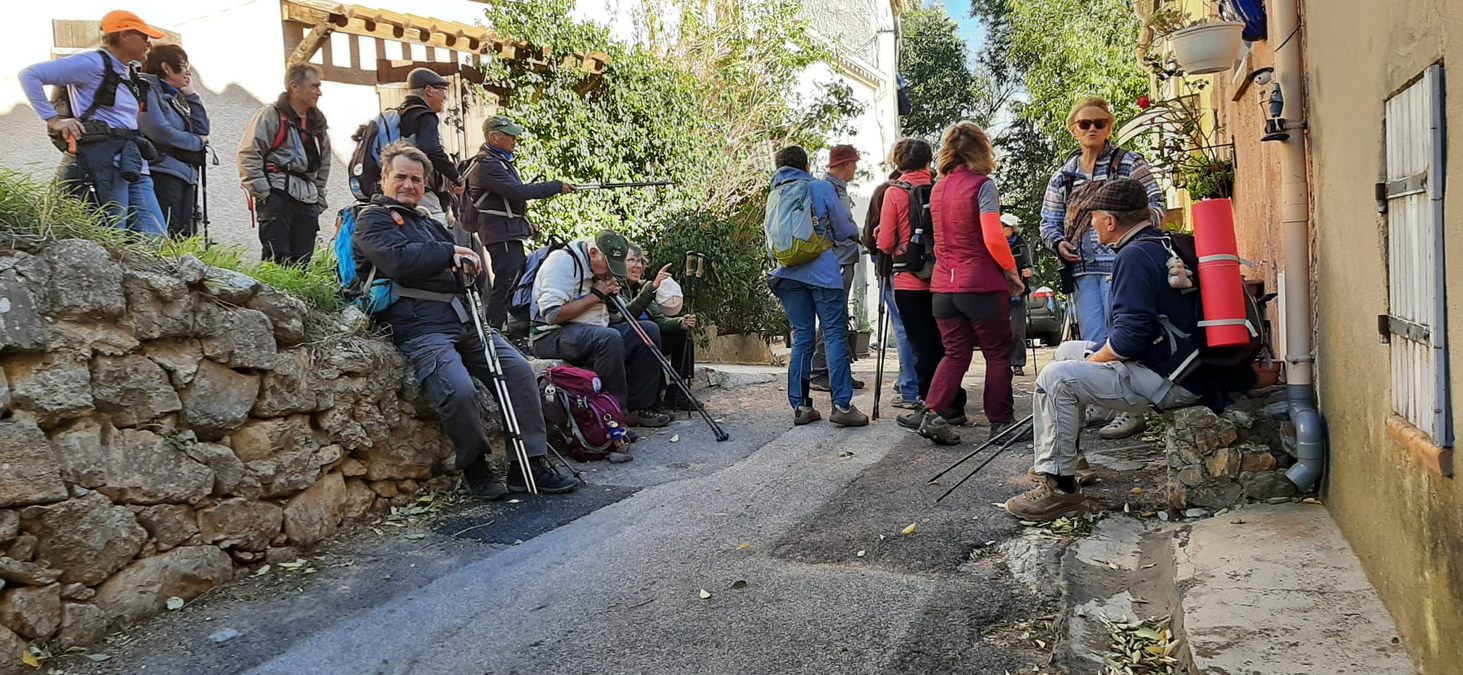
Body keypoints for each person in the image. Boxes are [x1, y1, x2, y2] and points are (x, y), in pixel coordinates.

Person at [1004, 178, 1271, 521]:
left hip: (1171, 381)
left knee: (1059, 378)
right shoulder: (1164, 243)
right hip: (1190, 369)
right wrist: (1093, 357)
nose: (1091, 225)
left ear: (1110, 221)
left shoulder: (1133, 256)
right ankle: (1068, 461)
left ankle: (1060, 489)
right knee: (1066, 351)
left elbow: (1129, 341)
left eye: (1093, 218)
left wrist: (1095, 360)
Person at [353, 142, 576, 498]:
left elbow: (451, 267)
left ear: (425, 185)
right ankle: (476, 467)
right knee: (458, 390)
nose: (409, 185)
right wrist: (449, 254)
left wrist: (462, 263)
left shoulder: (430, 225)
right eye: (401, 177)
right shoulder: (372, 219)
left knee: (519, 371)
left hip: (464, 320)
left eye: (416, 179)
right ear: (383, 178)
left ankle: (528, 464)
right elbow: (399, 263)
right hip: (419, 327)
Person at [1039, 95, 1165, 440]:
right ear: (1073, 129)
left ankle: (1129, 411)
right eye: (1085, 124)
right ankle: (1100, 398)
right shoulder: (1064, 176)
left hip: (1124, 261)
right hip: (1083, 269)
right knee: (1093, 339)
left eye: (1100, 123)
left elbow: (1156, 205)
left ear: (1110, 127)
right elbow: (1049, 220)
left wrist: (1135, 236)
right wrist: (1058, 243)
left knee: (1123, 333)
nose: (1092, 129)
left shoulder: (1130, 163)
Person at [913, 122, 1023, 446]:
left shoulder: (937, 188)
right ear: (982, 149)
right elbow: (993, 236)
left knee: (955, 353)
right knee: (997, 354)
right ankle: (1001, 423)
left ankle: (933, 412)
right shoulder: (983, 186)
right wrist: (1012, 272)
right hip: (980, 284)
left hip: (943, 288)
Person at [19, 10, 167, 238]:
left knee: (155, 236)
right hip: (105, 163)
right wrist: (54, 120)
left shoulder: (127, 71)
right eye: (144, 36)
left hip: (133, 163)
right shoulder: (92, 63)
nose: (149, 43)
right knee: (113, 234)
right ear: (124, 35)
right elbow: (30, 75)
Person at [765, 146, 868, 428]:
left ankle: (801, 407)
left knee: (802, 337)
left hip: (786, 274)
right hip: (822, 273)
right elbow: (844, 228)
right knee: (834, 334)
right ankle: (842, 406)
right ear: (807, 166)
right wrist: (855, 237)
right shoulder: (820, 188)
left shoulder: (775, 194)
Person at [529, 230, 673, 428]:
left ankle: (639, 407)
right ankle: (614, 414)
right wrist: (597, 294)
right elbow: (553, 314)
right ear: (594, 253)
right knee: (609, 338)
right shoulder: (563, 261)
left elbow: (615, 318)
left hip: (591, 331)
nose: (610, 272)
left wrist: (611, 299)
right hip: (551, 334)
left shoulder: (601, 271)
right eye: (609, 266)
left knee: (647, 330)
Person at [877, 138, 968, 428]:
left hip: (909, 280)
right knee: (945, 346)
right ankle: (955, 403)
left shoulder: (895, 193)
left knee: (922, 347)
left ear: (897, 162)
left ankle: (932, 406)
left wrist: (885, 238)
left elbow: (886, 242)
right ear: (929, 160)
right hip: (943, 278)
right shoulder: (942, 188)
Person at [461, 116, 575, 329]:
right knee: (506, 282)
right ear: (493, 137)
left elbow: (508, 201)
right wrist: (556, 186)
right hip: (499, 233)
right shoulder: (487, 165)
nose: (515, 140)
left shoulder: (498, 161)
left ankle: (507, 328)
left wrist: (527, 225)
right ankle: (494, 330)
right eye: (510, 136)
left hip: (506, 231)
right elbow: (519, 192)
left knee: (513, 280)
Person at [238, 62, 330, 265]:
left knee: (302, 262)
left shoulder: (318, 123)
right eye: (314, 86)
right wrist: (266, 195)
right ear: (294, 87)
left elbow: (323, 165)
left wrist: (318, 199)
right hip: (277, 194)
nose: (319, 92)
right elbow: (249, 153)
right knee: (276, 259)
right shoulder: (271, 115)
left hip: (308, 200)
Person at [862, 166, 922, 409]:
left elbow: (873, 237)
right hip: (923, 268)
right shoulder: (925, 190)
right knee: (920, 328)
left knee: (902, 327)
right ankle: (918, 385)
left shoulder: (885, 192)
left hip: (890, 267)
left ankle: (909, 387)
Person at [809, 144, 865, 393]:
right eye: (854, 163)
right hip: (836, 260)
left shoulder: (836, 188)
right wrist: (855, 236)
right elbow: (839, 227)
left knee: (836, 317)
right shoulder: (828, 189)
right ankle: (821, 371)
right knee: (832, 318)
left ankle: (836, 372)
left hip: (840, 259)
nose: (856, 168)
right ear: (844, 164)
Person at [138, 44, 209, 238]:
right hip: (163, 171)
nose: (188, 72)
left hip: (184, 173)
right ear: (166, 68)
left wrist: (191, 95)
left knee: (184, 233)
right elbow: (160, 131)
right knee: (171, 230)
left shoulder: (174, 96)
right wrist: (197, 143)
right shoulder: (146, 91)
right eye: (184, 66)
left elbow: (202, 128)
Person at [617, 245, 699, 410]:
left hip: (650, 337)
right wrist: (652, 288)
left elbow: (660, 320)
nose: (638, 266)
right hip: (629, 341)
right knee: (650, 329)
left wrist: (681, 322)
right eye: (632, 260)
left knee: (682, 334)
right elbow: (626, 315)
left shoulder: (642, 287)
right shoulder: (615, 287)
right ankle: (649, 402)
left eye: (640, 261)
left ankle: (678, 391)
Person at [394, 68, 459, 225]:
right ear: (429, 90)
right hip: (420, 188)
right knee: (435, 225)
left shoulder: (400, 113)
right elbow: (431, 149)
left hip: (397, 186)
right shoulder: (424, 115)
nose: (445, 96)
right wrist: (456, 177)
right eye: (442, 90)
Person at [1003, 213, 1035, 376]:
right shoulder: (994, 242)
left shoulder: (1022, 245)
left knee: (1017, 330)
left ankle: (1017, 363)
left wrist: (1030, 271)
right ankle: (1000, 363)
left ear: (1013, 228)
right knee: (999, 329)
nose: (1002, 229)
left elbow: (1030, 266)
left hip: (1017, 291)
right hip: (999, 290)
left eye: (1005, 226)